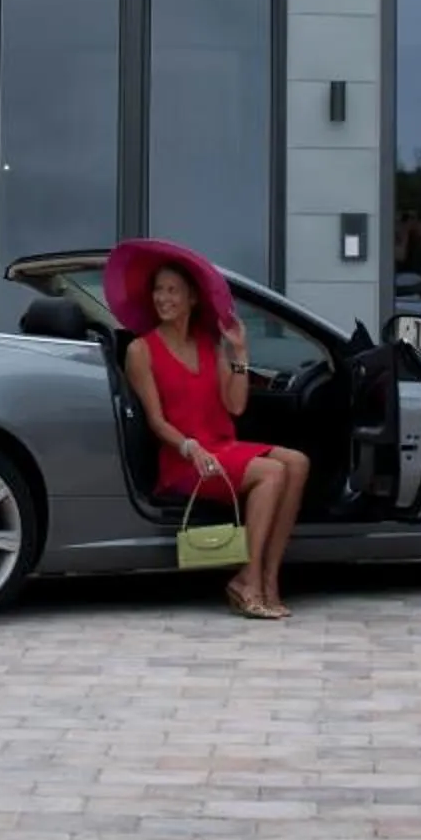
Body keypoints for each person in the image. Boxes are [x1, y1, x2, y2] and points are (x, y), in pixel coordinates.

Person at [121, 258, 310, 620]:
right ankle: (247, 581)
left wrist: (239, 352)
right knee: (271, 473)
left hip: (223, 446)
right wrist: (190, 448)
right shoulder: (140, 350)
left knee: (298, 463)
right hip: (185, 459)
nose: (163, 298)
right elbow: (156, 421)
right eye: (158, 290)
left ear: (192, 298)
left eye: (172, 290)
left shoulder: (210, 344)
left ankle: (269, 580)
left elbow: (236, 405)